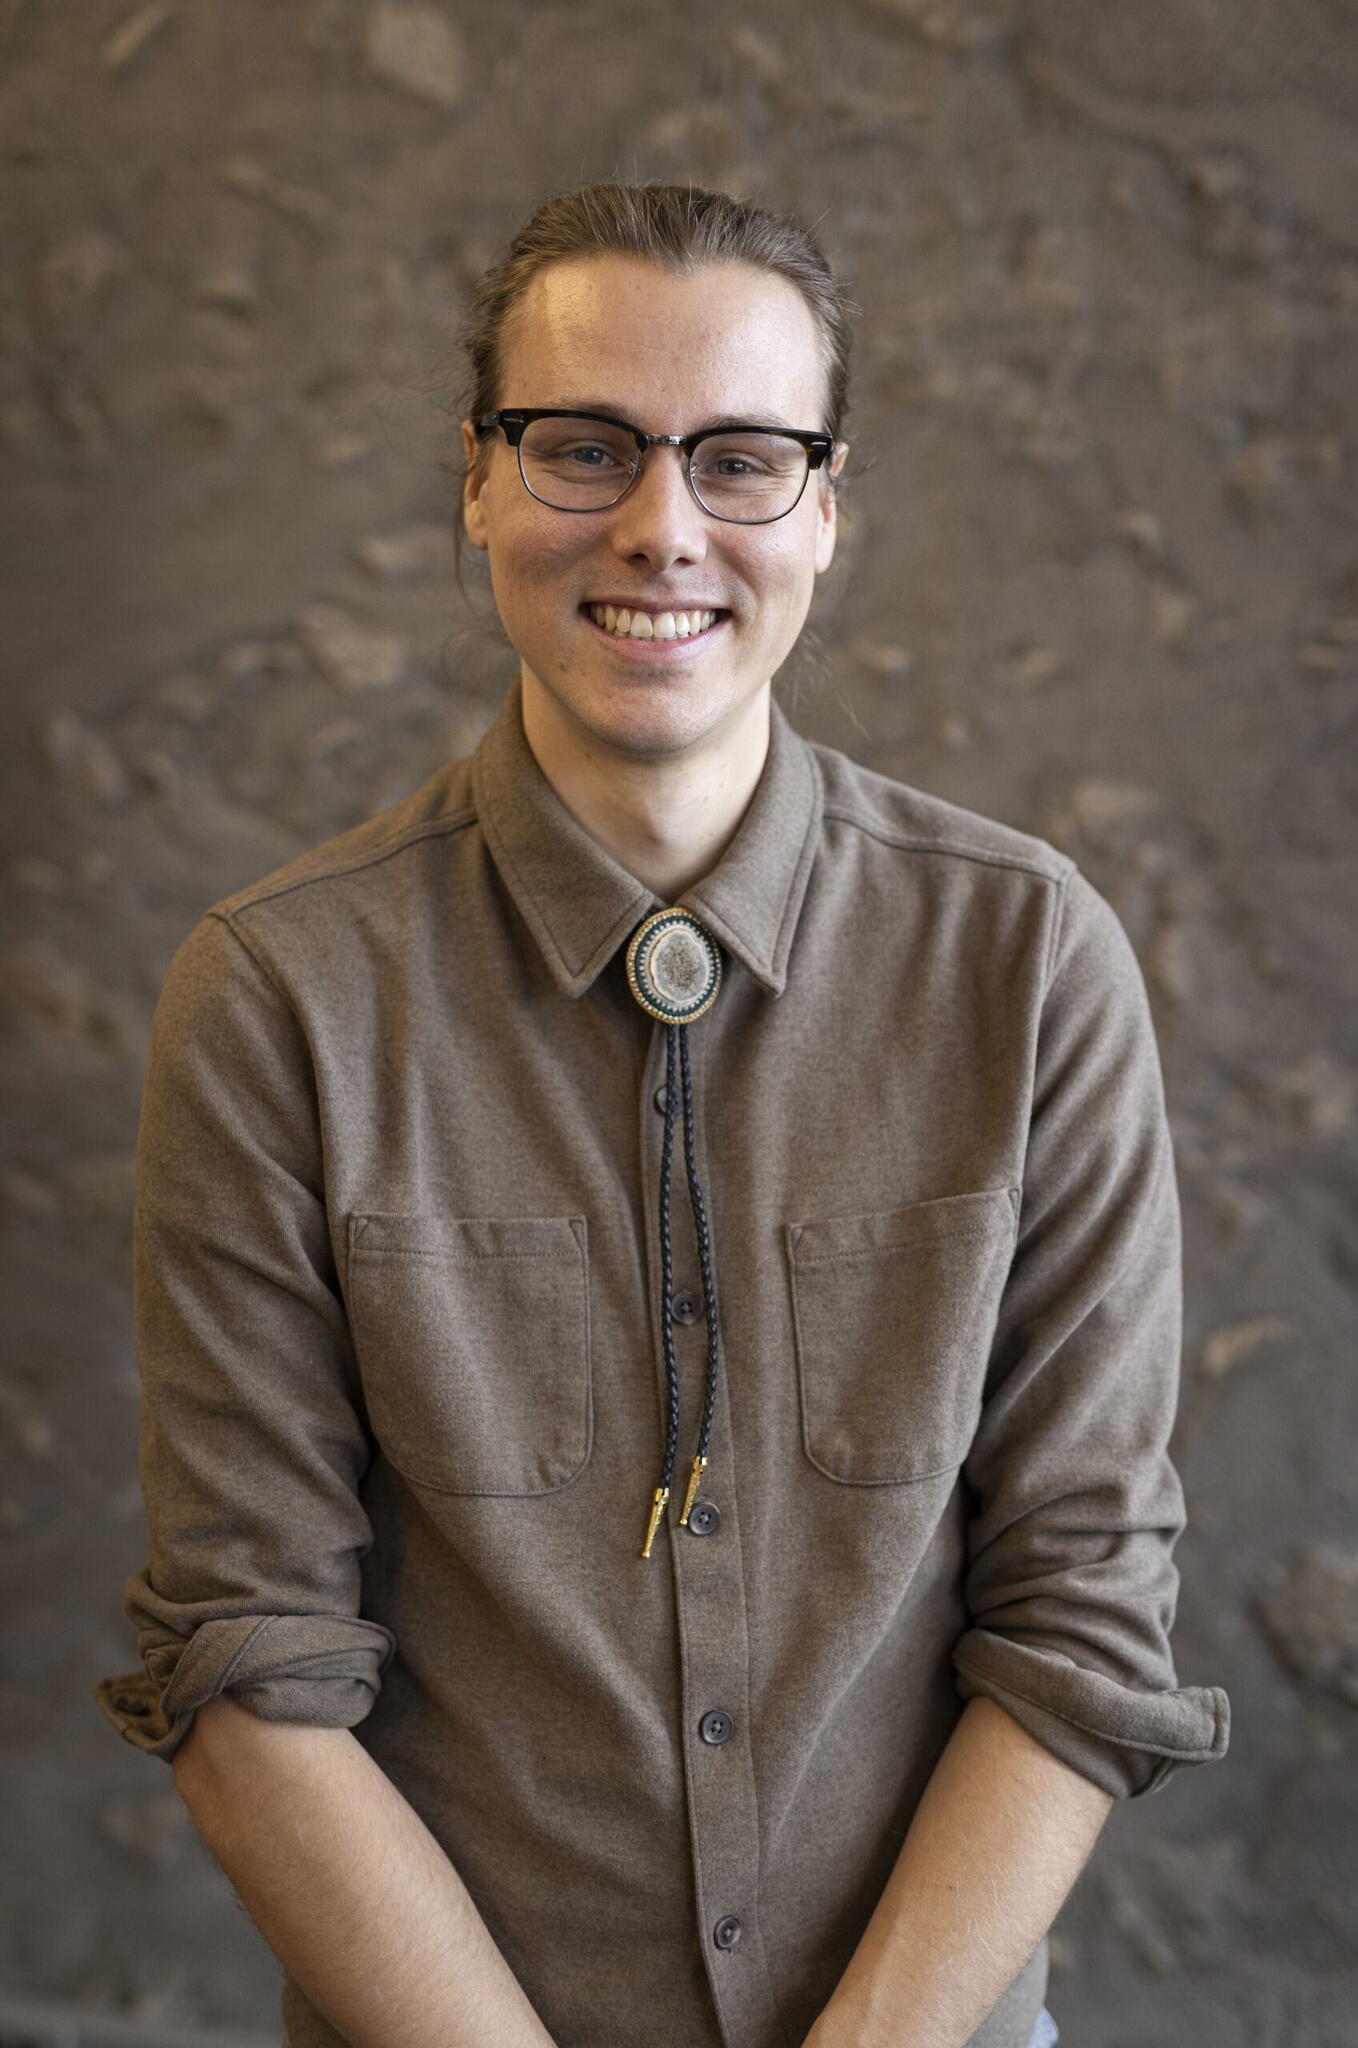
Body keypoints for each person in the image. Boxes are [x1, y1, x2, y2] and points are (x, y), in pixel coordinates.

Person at [95, 181, 1230, 2048]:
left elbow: (1082, 1615)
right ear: (477, 480)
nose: (659, 525)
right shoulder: (279, 994)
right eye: (583, 445)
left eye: (741, 460)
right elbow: (243, 1665)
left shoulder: (1027, 962)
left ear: (826, 509)